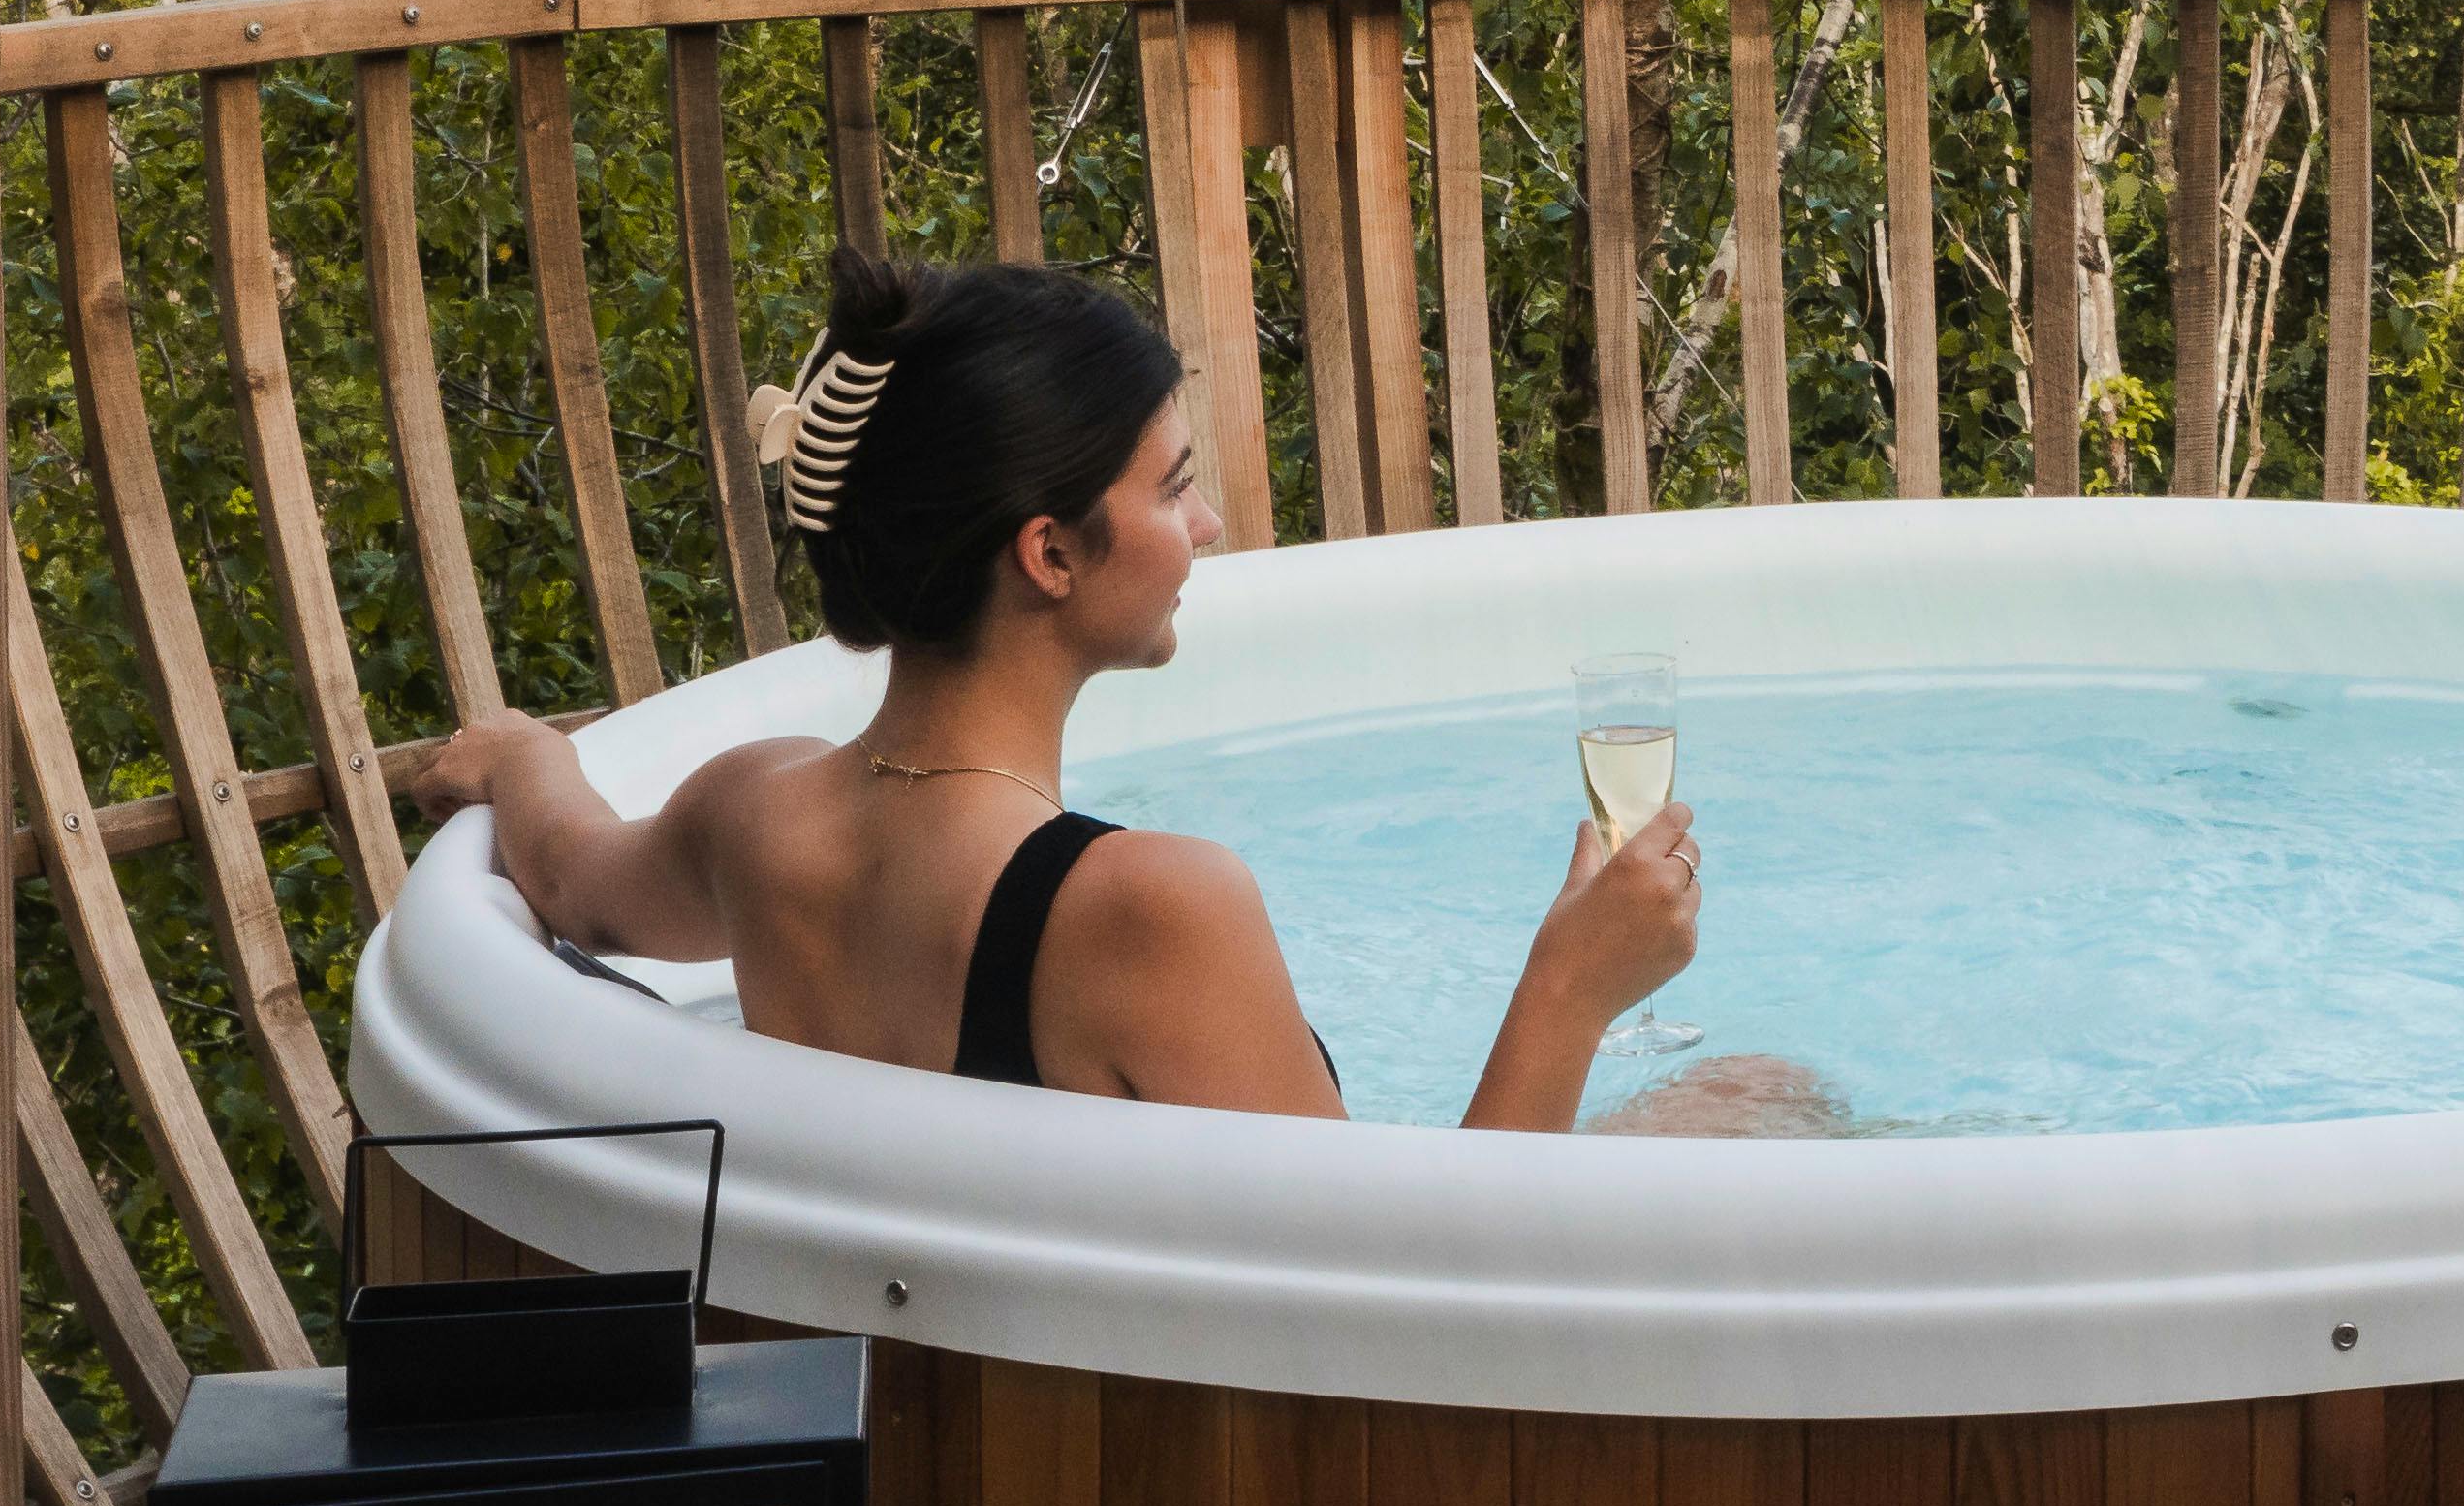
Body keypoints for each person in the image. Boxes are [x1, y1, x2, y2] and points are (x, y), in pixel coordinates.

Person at [399, 246, 1706, 1127]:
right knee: (1756, 1100)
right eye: (1174, 487)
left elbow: (570, 876)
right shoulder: (1149, 910)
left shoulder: (757, 818)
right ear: (1052, 554)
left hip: (903, 1418)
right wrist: (1571, 985)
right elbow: (1418, 1295)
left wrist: (511, 754)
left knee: (1725, 1100)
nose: (1208, 528)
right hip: (1149, 1493)